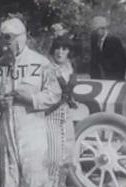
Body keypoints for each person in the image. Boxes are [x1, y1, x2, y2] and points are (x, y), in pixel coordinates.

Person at [0, 17, 61, 187]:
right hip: (6, 130)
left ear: (20, 39)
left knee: (34, 177)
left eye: (8, 42)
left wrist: (31, 99)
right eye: (2, 41)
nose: (4, 47)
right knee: (8, 176)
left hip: (32, 130)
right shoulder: (1, 65)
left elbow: (55, 94)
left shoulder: (41, 63)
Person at [47, 35, 77, 186]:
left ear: (69, 51)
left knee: (67, 157)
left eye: (64, 49)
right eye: (57, 48)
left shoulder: (70, 67)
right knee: (53, 158)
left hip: (67, 115)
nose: (60, 52)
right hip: (50, 115)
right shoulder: (47, 67)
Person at [90, 16, 126, 80]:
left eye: (96, 30)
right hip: (99, 77)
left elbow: (121, 61)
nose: (95, 33)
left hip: (113, 77)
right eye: (94, 30)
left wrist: (118, 77)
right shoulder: (94, 41)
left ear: (103, 29)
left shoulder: (114, 40)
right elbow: (94, 60)